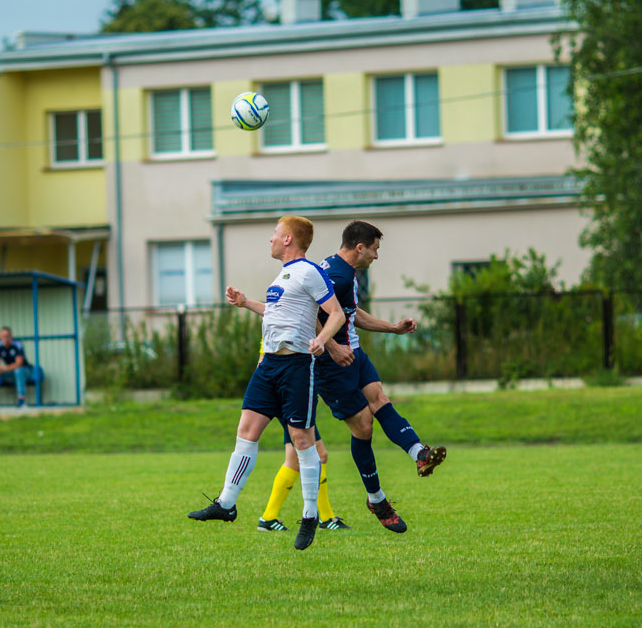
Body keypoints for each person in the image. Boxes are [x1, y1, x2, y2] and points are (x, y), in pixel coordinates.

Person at [187, 216, 346, 551]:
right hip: (269, 365)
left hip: (297, 366)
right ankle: (226, 504)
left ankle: (309, 515)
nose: (270, 239)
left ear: (288, 239)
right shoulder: (283, 275)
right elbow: (276, 315)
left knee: (302, 439)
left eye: (275, 234)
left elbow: (336, 314)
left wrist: (322, 340)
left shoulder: (309, 272)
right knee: (246, 429)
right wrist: (246, 303)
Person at [316, 222, 448, 530]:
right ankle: (377, 499)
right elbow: (304, 312)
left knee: (380, 399)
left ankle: (419, 453)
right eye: (375, 249)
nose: (376, 256)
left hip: (354, 353)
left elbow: (351, 313)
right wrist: (332, 347)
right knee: (364, 426)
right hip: (331, 364)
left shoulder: (341, 270)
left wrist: (392, 328)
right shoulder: (337, 276)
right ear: (359, 247)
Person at [0, 326, 31, 407]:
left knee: (18, 371)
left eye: (7, 336)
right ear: (0, 337)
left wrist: (3, 368)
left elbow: (19, 364)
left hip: (25, 370)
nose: (6, 338)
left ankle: (21, 399)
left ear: (11, 336)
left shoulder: (17, 344)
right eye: (3, 336)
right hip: (9, 371)